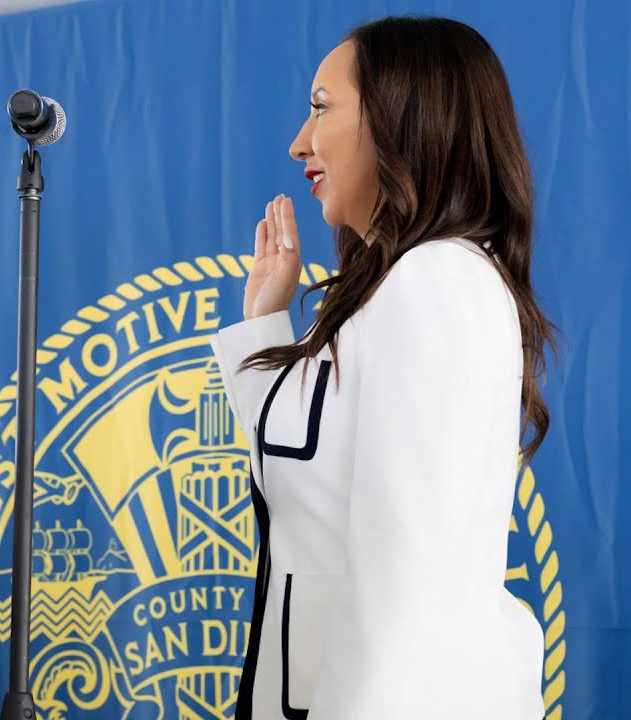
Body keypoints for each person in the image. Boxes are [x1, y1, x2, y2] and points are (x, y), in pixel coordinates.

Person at [210, 17, 552, 720]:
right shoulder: (400, 287)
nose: (299, 143)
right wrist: (262, 324)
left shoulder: (436, 282)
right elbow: (309, 476)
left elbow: (407, 592)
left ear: (403, 118)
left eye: (322, 107)